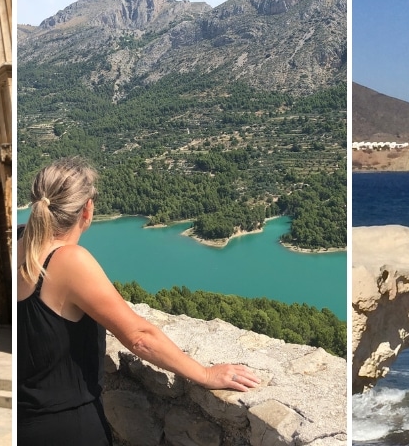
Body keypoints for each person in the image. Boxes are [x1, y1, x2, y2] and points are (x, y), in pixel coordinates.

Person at [17, 158, 260, 444]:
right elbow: (140, 338)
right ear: (87, 209)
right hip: (69, 428)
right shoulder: (68, 261)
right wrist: (205, 374)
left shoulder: (19, 240)